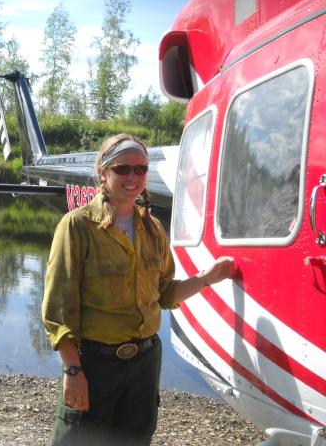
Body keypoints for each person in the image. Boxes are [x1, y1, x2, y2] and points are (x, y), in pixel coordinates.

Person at [41, 134, 234, 446]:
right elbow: (58, 308)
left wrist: (206, 278)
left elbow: (166, 294)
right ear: (103, 172)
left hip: (144, 364)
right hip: (95, 363)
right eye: (122, 169)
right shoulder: (77, 226)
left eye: (141, 169)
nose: (133, 177)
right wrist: (72, 369)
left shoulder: (153, 229)